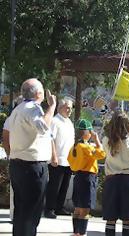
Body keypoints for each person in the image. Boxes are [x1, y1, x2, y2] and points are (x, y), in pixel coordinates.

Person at [8, 78, 56, 236]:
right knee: (31, 213)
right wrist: (52, 107)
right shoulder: (33, 108)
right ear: (38, 93)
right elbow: (43, 127)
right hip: (32, 167)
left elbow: (6, 131)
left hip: (17, 165)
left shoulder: (18, 109)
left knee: (21, 211)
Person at [102, 111, 129, 236]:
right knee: (127, 218)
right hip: (128, 180)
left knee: (111, 218)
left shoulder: (106, 140)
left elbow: (106, 152)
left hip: (111, 180)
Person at [67, 119, 106, 236]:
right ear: (86, 132)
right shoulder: (86, 147)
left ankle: (76, 232)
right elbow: (102, 154)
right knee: (85, 209)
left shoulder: (74, 147)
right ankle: (82, 233)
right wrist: (97, 140)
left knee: (78, 208)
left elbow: (70, 160)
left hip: (78, 176)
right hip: (88, 178)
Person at [44, 97, 75, 218]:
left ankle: (59, 207)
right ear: (60, 107)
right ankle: (49, 208)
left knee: (64, 186)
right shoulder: (54, 121)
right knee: (54, 186)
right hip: (57, 159)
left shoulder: (68, 122)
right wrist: (53, 156)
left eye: (71, 108)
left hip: (68, 160)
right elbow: (50, 138)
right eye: (67, 108)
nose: (69, 110)